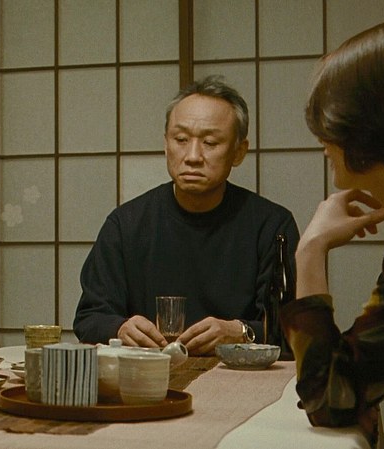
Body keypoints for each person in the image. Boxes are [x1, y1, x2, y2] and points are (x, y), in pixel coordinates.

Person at [280, 13, 384, 449]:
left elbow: (331, 397)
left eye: (331, 124)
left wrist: (310, 250)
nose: (323, 141)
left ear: (373, 124)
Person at [73, 75, 300, 355]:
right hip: (148, 373)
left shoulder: (272, 226)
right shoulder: (126, 224)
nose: (192, 156)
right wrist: (119, 328)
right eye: (181, 139)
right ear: (166, 144)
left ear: (239, 151)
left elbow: (294, 330)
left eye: (210, 142)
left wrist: (242, 331)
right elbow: (89, 317)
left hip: (239, 373)